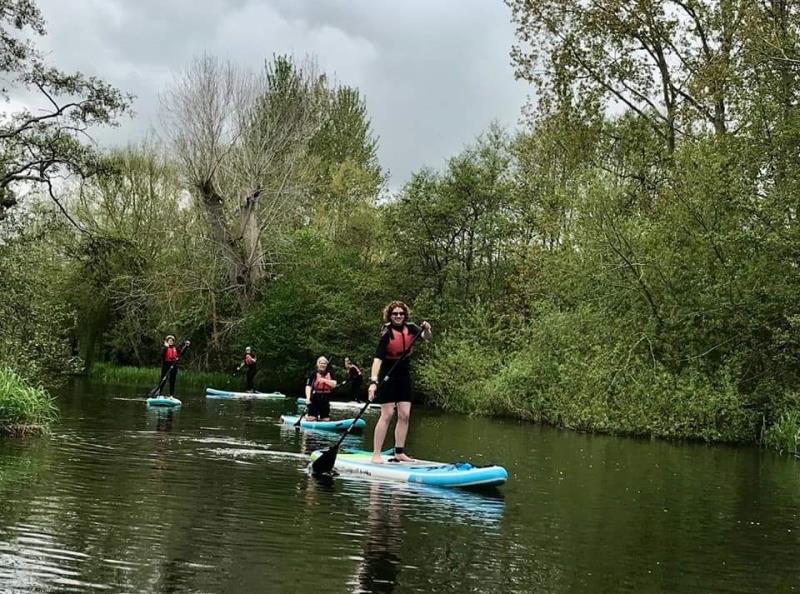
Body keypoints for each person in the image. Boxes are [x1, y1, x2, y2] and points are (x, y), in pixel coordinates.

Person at [367, 301, 431, 463]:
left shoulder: (411, 328)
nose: (398, 316)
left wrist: (428, 329)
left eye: (401, 314)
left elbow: (427, 338)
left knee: (405, 415)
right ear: (390, 315)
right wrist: (373, 382)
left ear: (405, 315)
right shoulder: (386, 333)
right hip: (388, 374)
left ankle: (399, 452)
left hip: (403, 376)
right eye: (395, 314)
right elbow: (378, 359)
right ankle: (376, 453)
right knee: (387, 414)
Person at [305, 356, 337, 421]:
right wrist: (308, 398)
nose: (323, 365)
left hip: (325, 398)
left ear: (326, 365)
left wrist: (324, 380)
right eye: (321, 363)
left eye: (324, 363)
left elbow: (334, 384)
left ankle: (321, 418)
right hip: (315, 398)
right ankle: (308, 416)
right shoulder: (313, 374)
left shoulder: (330, 373)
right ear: (318, 364)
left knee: (326, 419)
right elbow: (308, 386)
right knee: (312, 418)